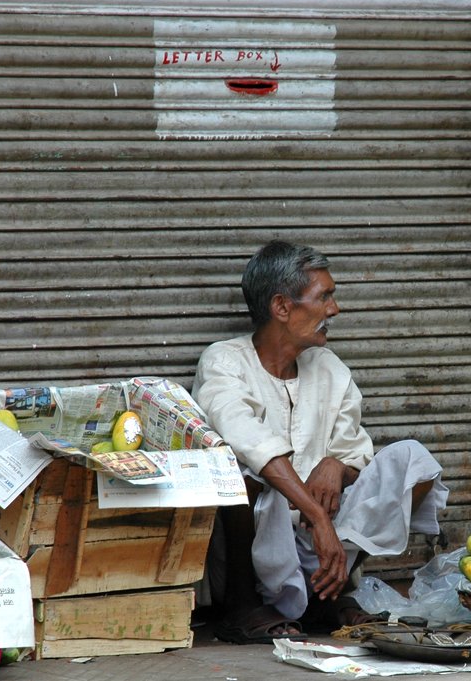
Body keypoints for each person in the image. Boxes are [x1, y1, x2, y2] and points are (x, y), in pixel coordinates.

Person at [191, 241, 449, 644]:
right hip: (260, 541)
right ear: (282, 307)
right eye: (324, 297)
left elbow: (355, 448)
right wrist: (316, 513)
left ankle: (327, 591)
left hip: (318, 541)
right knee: (238, 468)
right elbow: (245, 438)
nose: (334, 310)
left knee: (413, 460)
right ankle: (240, 606)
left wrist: (337, 466)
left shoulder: (329, 368)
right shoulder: (224, 362)